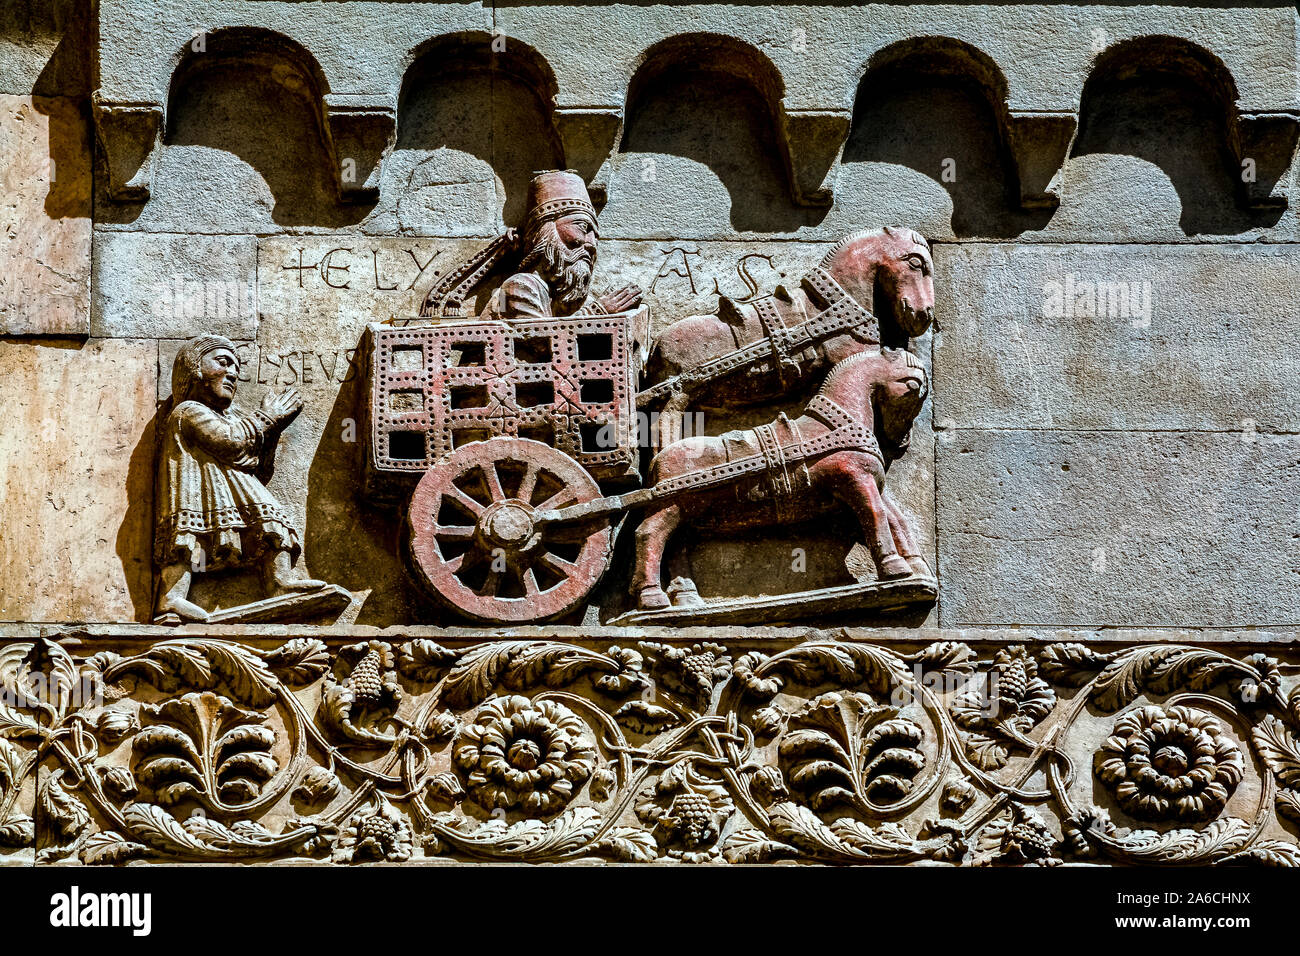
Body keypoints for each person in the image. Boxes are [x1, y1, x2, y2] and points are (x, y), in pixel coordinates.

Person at [153, 335, 325, 624]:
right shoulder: (189, 411)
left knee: (273, 522)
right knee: (185, 540)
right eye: (223, 362)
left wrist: (272, 432)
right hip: (199, 492)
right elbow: (231, 443)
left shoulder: (229, 417)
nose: (233, 372)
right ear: (194, 368)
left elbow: (256, 468)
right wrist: (268, 418)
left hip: (232, 489)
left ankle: (279, 581)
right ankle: (171, 597)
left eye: (236, 366)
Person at [481, 169, 642, 321]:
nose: (592, 244)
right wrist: (597, 312)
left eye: (595, 235)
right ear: (547, 230)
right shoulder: (521, 285)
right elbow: (539, 340)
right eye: (582, 227)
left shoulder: (566, 297)